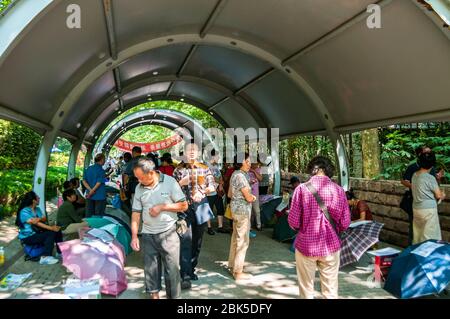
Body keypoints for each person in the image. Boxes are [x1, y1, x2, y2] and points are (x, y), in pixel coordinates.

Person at [288, 156, 350, 299]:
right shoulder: (339, 190)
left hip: (306, 246)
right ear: (329, 170)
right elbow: (345, 222)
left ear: (312, 169)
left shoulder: (301, 189)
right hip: (331, 246)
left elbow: (294, 221)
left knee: (306, 289)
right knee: (330, 290)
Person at [130, 158, 188, 299]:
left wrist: (162, 207)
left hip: (169, 233)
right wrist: (134, 236)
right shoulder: (139, 188)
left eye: (141, 177)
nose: (138, 181)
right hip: (148, 235)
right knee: (150, 271)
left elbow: (183, 205)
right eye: (136, 178)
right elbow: (136, 213)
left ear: (151, 173)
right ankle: (154, 296)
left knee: (172, 271)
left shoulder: (169, 182)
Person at [173, 141, 216, 289]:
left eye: (194, 150)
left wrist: (202, 192)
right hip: (184, 209)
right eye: (189, 150)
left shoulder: (205, 169)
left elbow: (212, 186)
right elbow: (171, 191)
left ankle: (191, 269)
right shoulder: (178, 170)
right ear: (185, 153)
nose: (191, 152)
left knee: (197, 241)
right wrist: (180, 183)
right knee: (185, 240)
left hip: (202, 207)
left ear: (198, 153)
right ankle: (184, 275)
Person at [400, 146, 442, 245]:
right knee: (428, 235)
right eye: (426, 152)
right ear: (420, 155)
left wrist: (438, 179)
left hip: (418, 206)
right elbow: (403, 181)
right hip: (423, 207)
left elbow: (434, 184)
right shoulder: (413, 168)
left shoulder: (416, 174)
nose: (428, 153)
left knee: (418, 234)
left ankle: (416, 254)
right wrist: (419, 187)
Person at [227, 153, 257, 280]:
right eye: (248, 161)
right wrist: (253, 197)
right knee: (243, 241)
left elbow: (229, 194)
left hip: (235, 210)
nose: (250, 164)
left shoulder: (235, 174)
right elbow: (249, 197)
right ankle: (238, 272)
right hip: (243, 212)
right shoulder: (241, 176)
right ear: (241, 162)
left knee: (236, 238)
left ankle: (232, 265)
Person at [15, 191, 63, 264]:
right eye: (37, 197)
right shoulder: (24, 211)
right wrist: (51, 228)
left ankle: (60, 253)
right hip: (28, 237)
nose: (39, 198)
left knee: (57, 230)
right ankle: (45, 257)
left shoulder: (37, 209)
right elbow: (36, 223)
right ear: (33, 200)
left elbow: (44, 218)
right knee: (50, 233)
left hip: (37, 232)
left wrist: (39, 219)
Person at [411, 152, 446, 244]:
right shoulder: (429, 178)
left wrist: (437, 179)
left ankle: (418, 255)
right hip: (428, 211)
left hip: (416, 209)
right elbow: (438, 195)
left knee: (418, 235)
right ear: (432, 164)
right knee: (430, 236)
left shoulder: (414, 175)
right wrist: (443, 195)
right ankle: (428, 257)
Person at [206, 150, 228, 234]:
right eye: (217, 156)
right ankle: (209, 227)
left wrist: (221, 183)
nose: (219, 158)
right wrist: (220, 182)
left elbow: (219, 176)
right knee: (209, 209)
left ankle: (220, 226)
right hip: (209, 192)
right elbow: (211, 177)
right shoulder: (207, 165)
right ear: (213, 156)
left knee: (220, 209)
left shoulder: (216, 166)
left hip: (217, 191)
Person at [248, 162, 262, 231]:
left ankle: (258, 225)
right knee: (249, 211)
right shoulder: (246, 169)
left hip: (255, 193)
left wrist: (254, 171)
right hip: (247, 193)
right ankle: (249, 226)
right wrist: (250, 182)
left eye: (257, 164)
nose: (256, 165)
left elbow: (260, 179)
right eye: (255, 163)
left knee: (257, 210)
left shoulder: (258, 170)